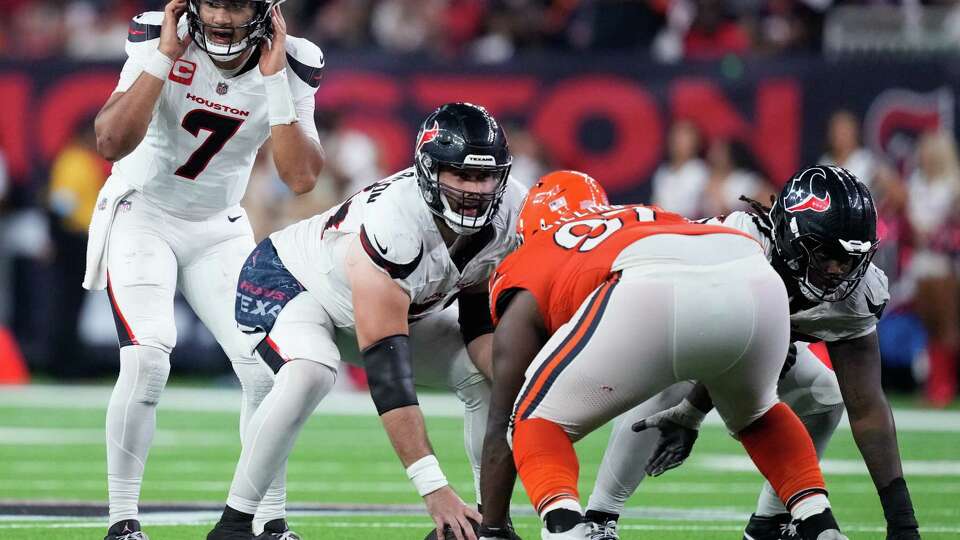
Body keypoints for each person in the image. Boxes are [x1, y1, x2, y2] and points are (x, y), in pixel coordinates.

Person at [207, 102, 526, 540]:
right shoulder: (395, 220)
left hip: (386, 310)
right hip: (292, 283)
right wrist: (433, 488)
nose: (477, 190)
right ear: (429, 172)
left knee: (487, 378)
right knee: (310, 373)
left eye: (485, 176)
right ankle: (235, 526)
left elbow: (478, 324)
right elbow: (388, 373)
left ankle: (488, 523)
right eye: (462, 176)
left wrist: (529, 388)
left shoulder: (512, 212)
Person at [479, 170, 847, 540]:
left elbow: (502, 415)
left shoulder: (531, 257)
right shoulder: (643, 212)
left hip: (652, 282)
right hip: (753, 272)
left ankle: (566, 529)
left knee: (531, 420)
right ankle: (817, 520)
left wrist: (492, 528)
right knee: (759, 415)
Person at [84, 0, 325, 538]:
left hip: (219, 225)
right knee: (147, 357)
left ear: (266, 9)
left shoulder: (293, 61)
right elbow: (110, 142)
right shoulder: (160, 34)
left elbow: (301, 177)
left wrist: (275, 83)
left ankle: (268, 521)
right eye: (211, 2)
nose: (219, 17)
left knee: (267, 370)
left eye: (235, 4)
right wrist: (163, 60)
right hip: (143, 210)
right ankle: (123, 523)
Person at [585, 166, 921, 540]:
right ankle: (599, 518)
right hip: (664, 321)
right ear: (792, 237)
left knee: (824, 397)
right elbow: (712, 349)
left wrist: (902, 521)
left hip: (739, 342)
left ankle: (770, 524)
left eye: (849, 258)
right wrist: (693, 412)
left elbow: (868, 408)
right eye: (826, 253)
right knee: (675, 380)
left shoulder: (858, 291)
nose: (837, 269)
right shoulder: (742, 246)